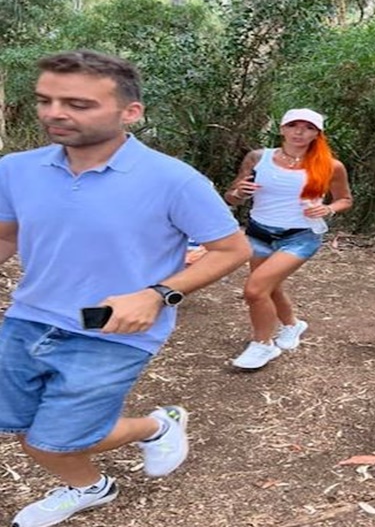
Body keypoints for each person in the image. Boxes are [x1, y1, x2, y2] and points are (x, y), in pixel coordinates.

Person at [0, 50, 251, 527]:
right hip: (28, 316)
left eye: (78, 103)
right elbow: (7, 234)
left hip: (113, 328)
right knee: (17, 426)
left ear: (130, 112)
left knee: (52, 439)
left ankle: (159, 424)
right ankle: (90, 487)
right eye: (45, 100)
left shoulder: (174, 180)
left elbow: (230, 249)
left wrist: (158, 294)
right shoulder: (15, 169)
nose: (55, 113)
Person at [224, 108, 352, 370]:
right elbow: (231, 196)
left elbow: (345, 199)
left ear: (317, 134)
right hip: (259, 232)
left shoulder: (330, 165)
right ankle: (293, 325)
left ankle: (263, 345)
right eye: (294, 125)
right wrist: (240, 193)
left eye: (307, 127)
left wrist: (328, 209)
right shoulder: (258, 157)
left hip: (300, 236)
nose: (299, 132)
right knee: (269, 287)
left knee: (255, 289)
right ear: (282, 129)